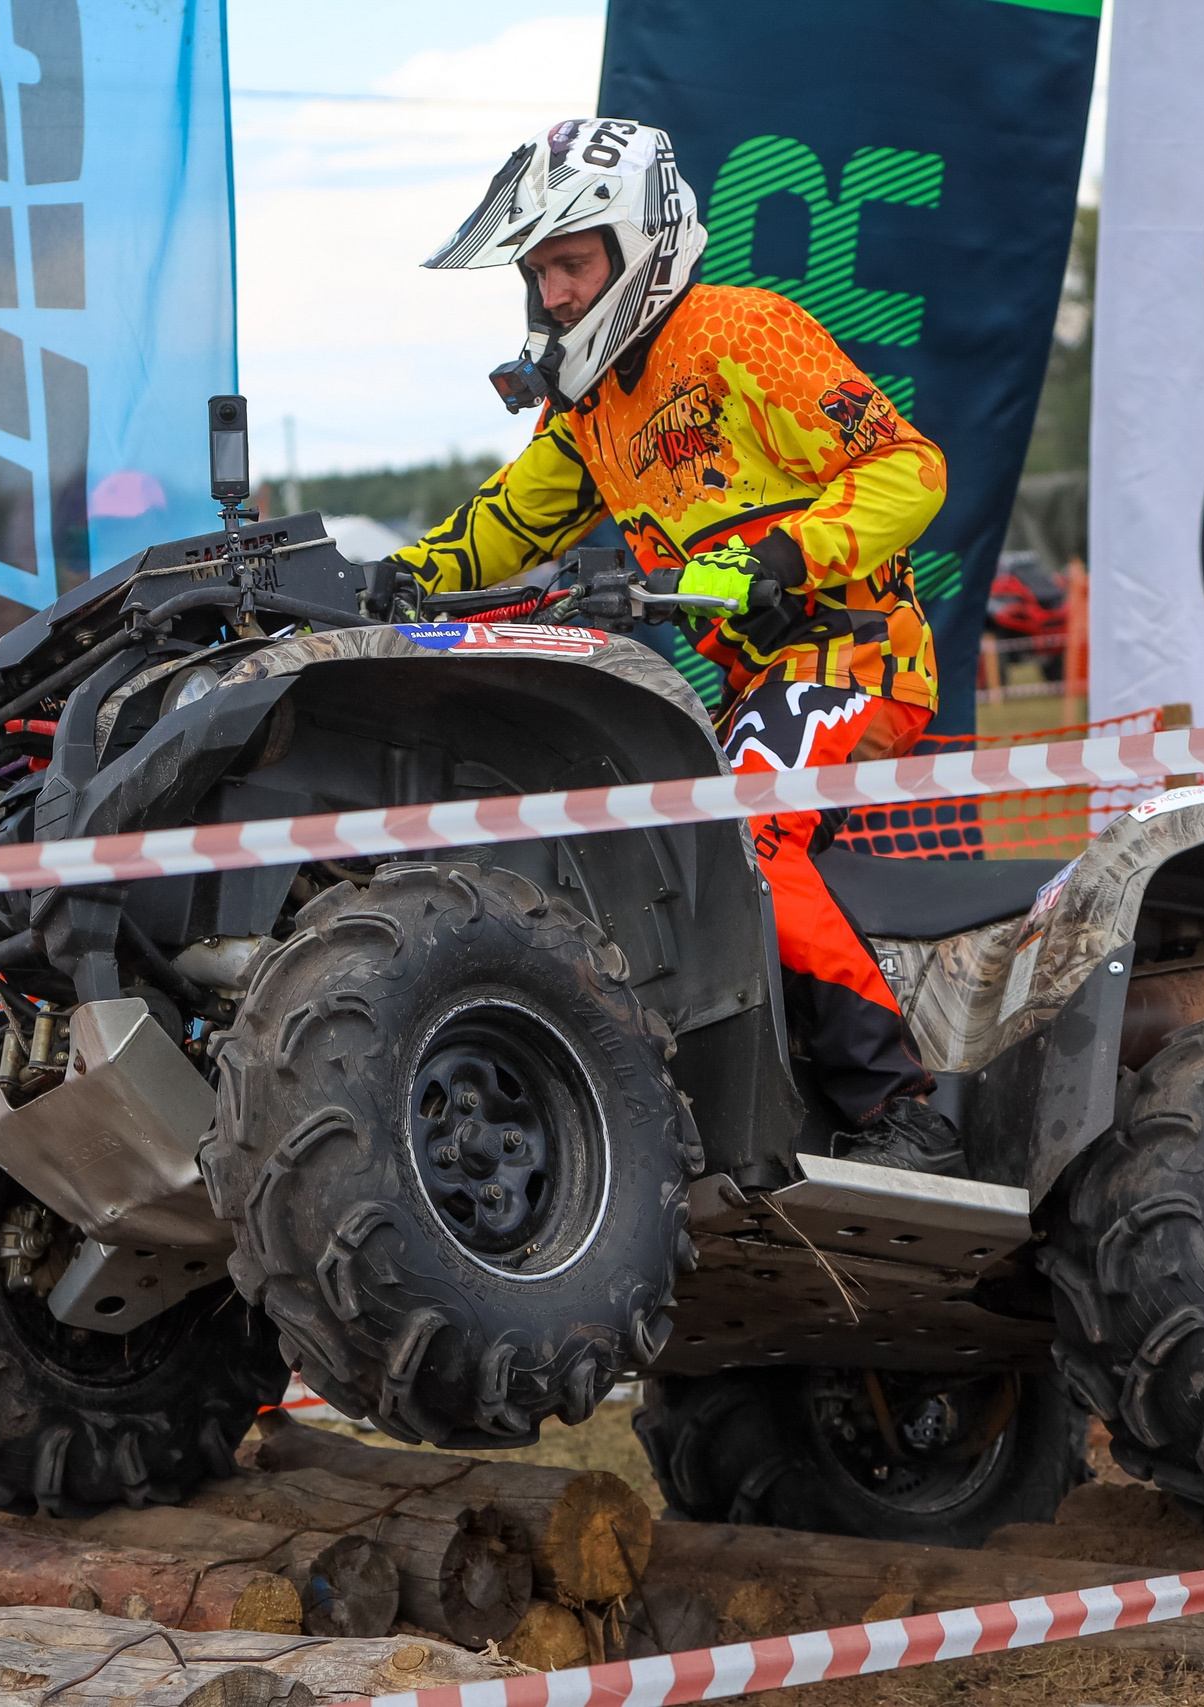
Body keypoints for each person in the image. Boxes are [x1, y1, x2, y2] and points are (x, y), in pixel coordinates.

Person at [386, 119, 958, 1174]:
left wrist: (783, 555)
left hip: (855, 656)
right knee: (650, 853)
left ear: (638, 242)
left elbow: (910, 470)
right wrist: (386, 581)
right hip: (755, 683)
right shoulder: (590, 411)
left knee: (743, 834)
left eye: (570, 263)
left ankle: (901, 1110)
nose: (554, 294)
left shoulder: (742, 331)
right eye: (537, 273)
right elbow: (499, 526)